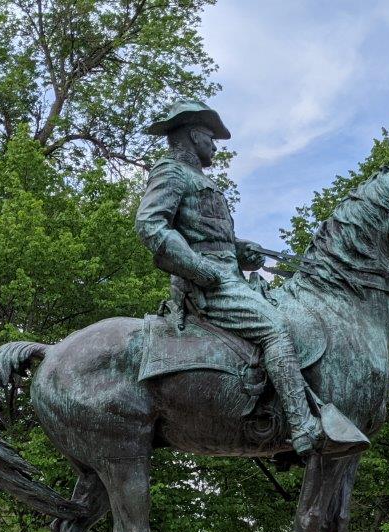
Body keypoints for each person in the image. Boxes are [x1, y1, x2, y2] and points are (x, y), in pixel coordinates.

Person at [135, 99, 322, 456]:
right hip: (207, 286)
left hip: (230, 277)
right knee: (274, 327)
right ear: (193, 135)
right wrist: (197, 268)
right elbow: (151, 226)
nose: (214, 145)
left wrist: (241, 250)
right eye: (210, 136)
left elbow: (211, 236)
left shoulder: (200, 180)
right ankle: (301, 424)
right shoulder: (171, 171)